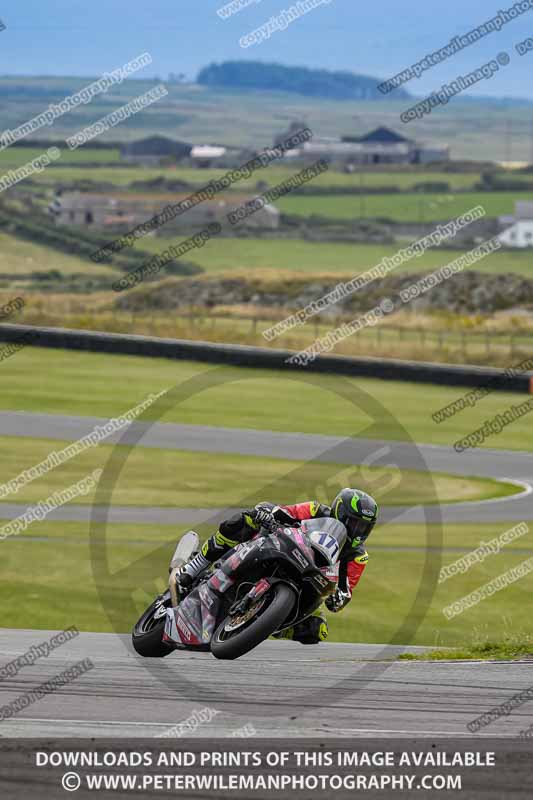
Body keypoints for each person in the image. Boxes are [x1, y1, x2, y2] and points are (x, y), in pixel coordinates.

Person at [177, 488, 378, 644]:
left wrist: (340, 597)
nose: (356, 530)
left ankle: (265, 624)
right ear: (338, 511)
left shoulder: (358, 556)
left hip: (308, 582)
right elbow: (286, 511)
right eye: (353, 523)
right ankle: (195, 566)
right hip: (280, 548)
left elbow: (345, 590)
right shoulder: (316, 510)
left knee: (318, 630)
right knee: (247, 519)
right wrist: (269, 513)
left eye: (363, 527)